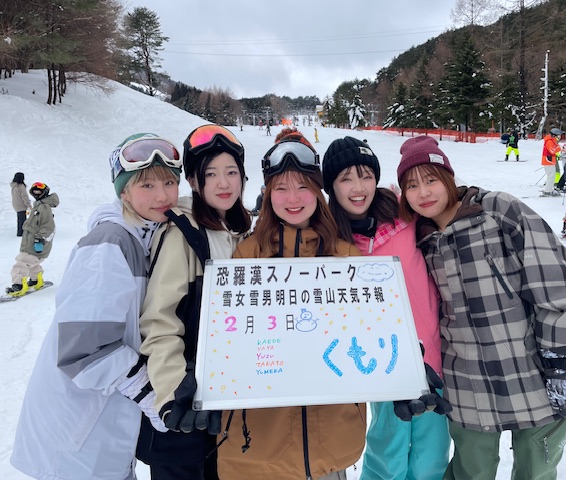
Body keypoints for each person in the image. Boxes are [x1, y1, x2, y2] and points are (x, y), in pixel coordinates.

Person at [396, 135, 566, 480]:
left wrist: (562, 355)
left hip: (533, 371)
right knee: (471, 471)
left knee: (536, 469)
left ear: (448, 177)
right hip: (467, 378)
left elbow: (553, 276)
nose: (423, 192)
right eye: (411, 185)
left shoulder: (497, 210)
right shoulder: (420, 238)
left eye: (431, 179)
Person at [10, 133, 182, 479]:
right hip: (77, 438)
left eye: (169, 182)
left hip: (101, 434)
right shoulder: (110, 241)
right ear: (123, 192)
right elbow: (83, 347)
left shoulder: (144, 235)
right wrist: (154, 396)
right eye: (146, 185)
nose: (162, 195)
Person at [218, 133, 366, 480]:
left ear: (318, 191)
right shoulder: (247, 255)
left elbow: (368, 335)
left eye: (303, 187)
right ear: (268, 195)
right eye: (281, 188)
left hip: (328, 442)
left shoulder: (344, 256)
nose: (293, 199)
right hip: (258, 449)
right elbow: (228, 341)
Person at [322, 136, 450, 480]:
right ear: (331, 186)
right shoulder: (330, 238)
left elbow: (441, 203)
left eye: (365, 176)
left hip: (432, 354)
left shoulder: (402, 211)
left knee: (432, 453)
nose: (358, 187)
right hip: (382, 361)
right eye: (346, 178)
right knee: (388, 450)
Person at [137, 124, 252, 480]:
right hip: (184, 414)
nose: (223, 183)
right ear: (192, 180)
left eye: (232, 172)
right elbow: (159, 320)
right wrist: (173, 391)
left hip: (222, 409)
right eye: (211, 173)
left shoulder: (237, 231)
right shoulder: (182, 234)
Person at [5, 181, 59, 296]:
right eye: (34, 191)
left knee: (21, 262)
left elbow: (48, 227)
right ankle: (36, 280)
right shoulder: (39, 205)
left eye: (39, 190)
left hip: (36, 243)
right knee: (32, 262)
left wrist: (39, 239)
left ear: (45, 192)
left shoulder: (44, 207)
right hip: (31, 242)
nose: (36, 193)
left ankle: (18, 285)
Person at [540, 127, 563, 196]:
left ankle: (550, 189)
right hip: (548, 160)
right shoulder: (549, 141)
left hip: (550, 160)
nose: (559, 136)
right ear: (554, 135)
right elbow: (552, 151)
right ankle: (548, 191)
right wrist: (560, 148)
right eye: (558, 135)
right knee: (551, 176)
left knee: (552, 176)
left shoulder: (552, 141)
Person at [11, 172, 31, 237]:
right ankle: (21, 232)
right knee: (22, 219)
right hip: (21, 205)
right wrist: (29, 205)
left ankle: (20, 231)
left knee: (20, 218)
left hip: (16, 204)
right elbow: (24, 197)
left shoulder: (14, 186)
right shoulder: (21, 186)